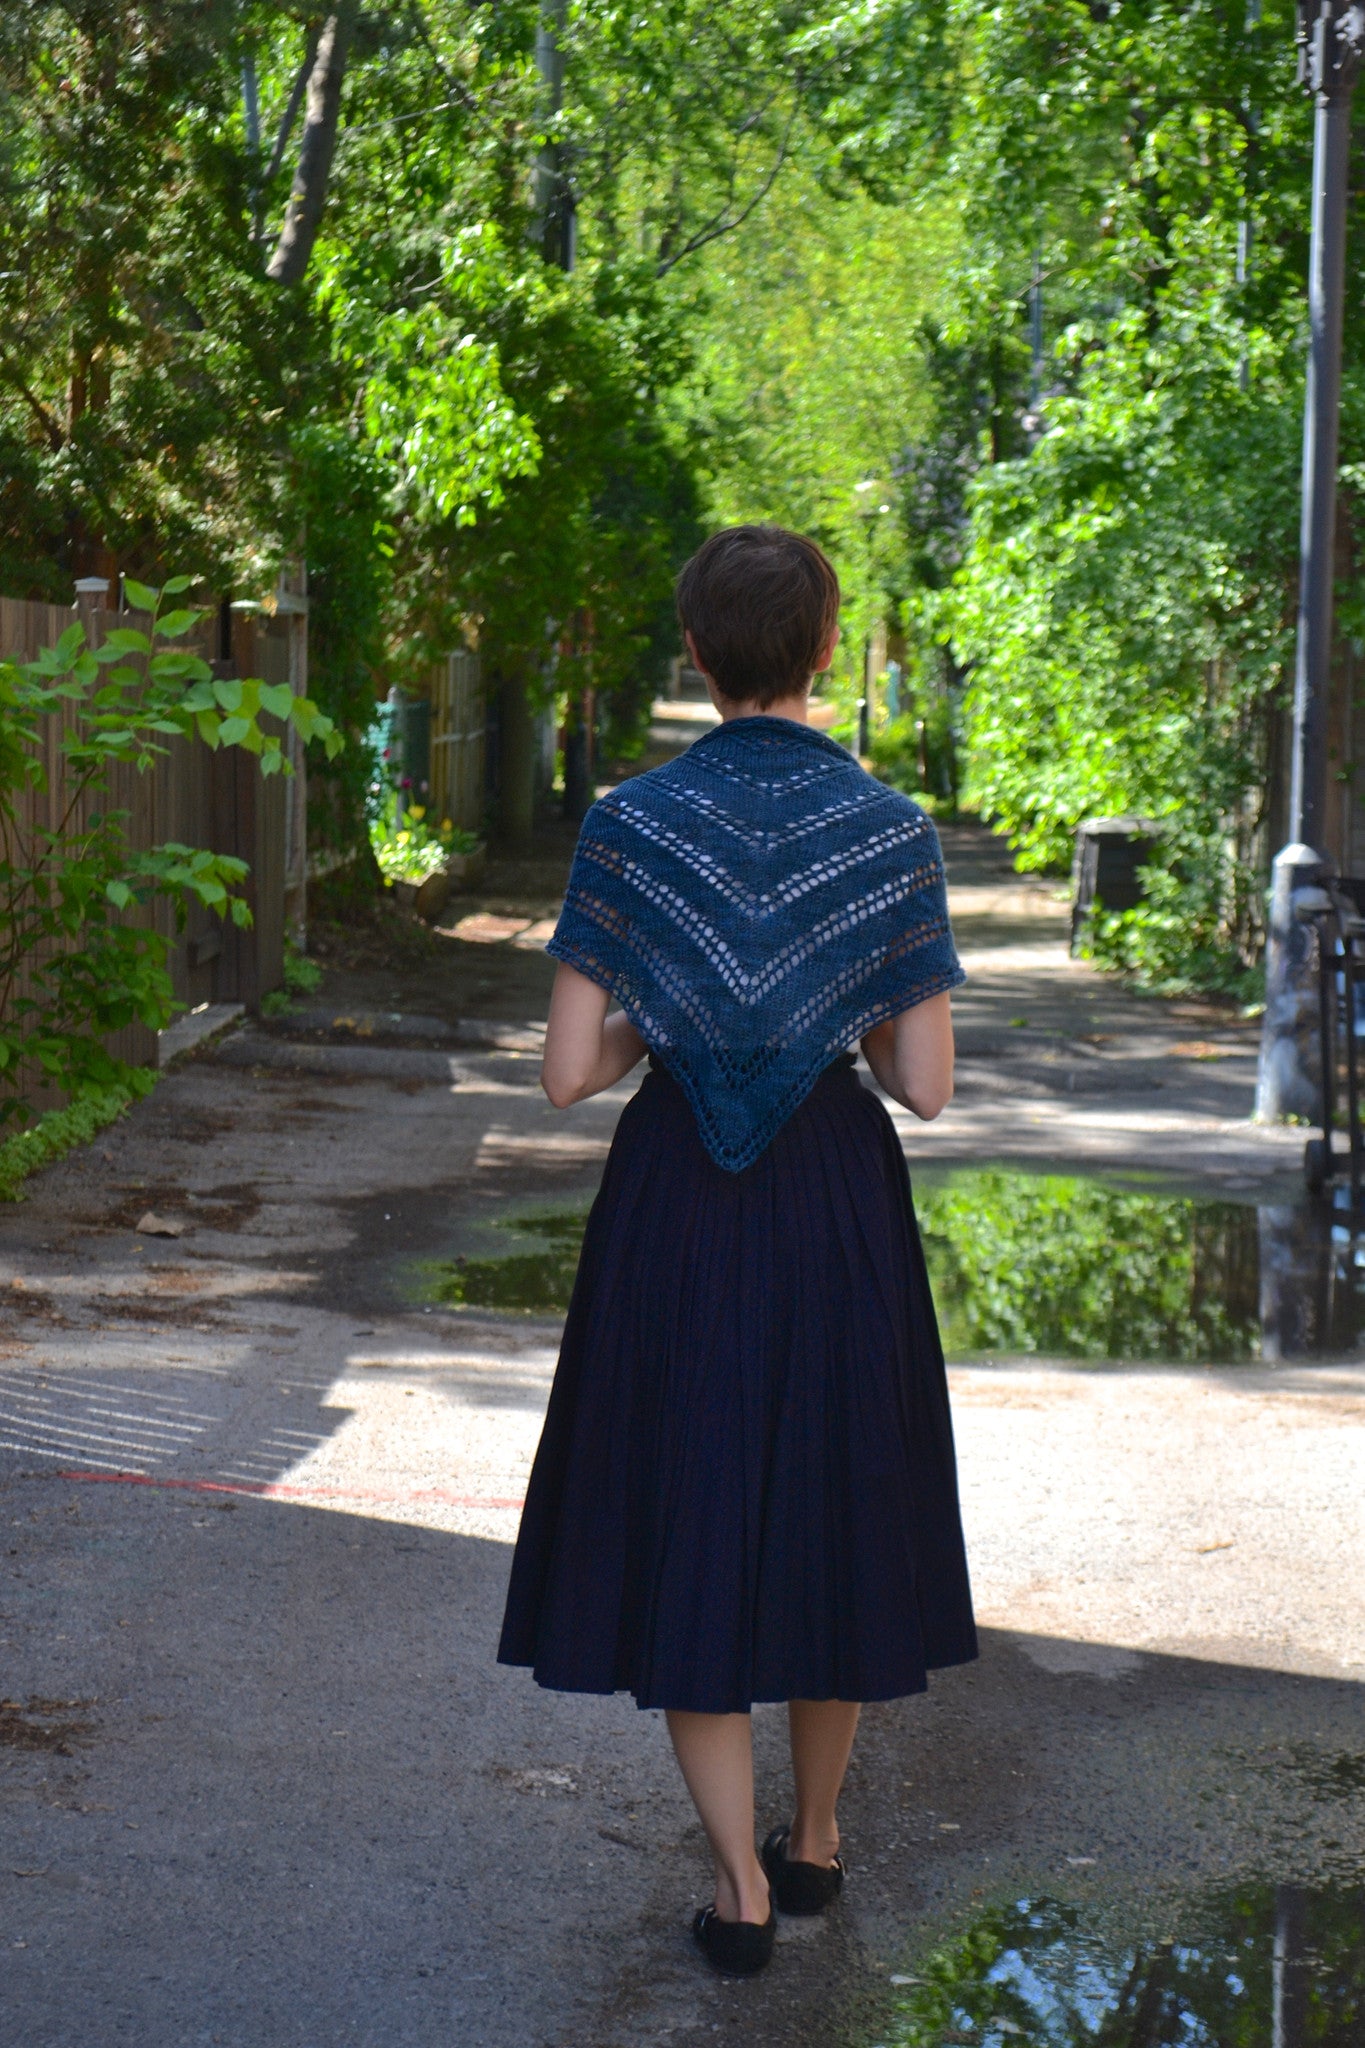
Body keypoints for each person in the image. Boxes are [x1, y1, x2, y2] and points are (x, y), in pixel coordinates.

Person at [498, 523, 976, 1977]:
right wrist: (814, 1004)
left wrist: (679, 1012)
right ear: (824, 647)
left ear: (695, 652)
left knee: (691, 1509)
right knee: (835, 1499)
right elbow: (924, 1084)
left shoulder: (631, 826)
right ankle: (815, 1839)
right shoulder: (887, 830)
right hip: (832, 1198)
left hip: (679, 1203)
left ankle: (739, 1889)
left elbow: (568, 1074)